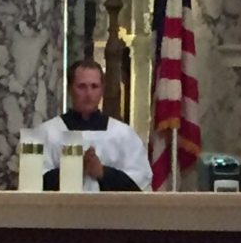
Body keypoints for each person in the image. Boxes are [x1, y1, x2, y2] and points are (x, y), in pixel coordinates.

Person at [26, 61, 153, 192]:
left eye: (94, 86)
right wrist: (75, 168)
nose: (88, 93)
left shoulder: (123, 134)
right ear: (70, 89)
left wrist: (104, 173)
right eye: (81, 86)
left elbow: (140, 181)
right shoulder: (47, 133)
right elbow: (32, 183)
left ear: (102, 90)